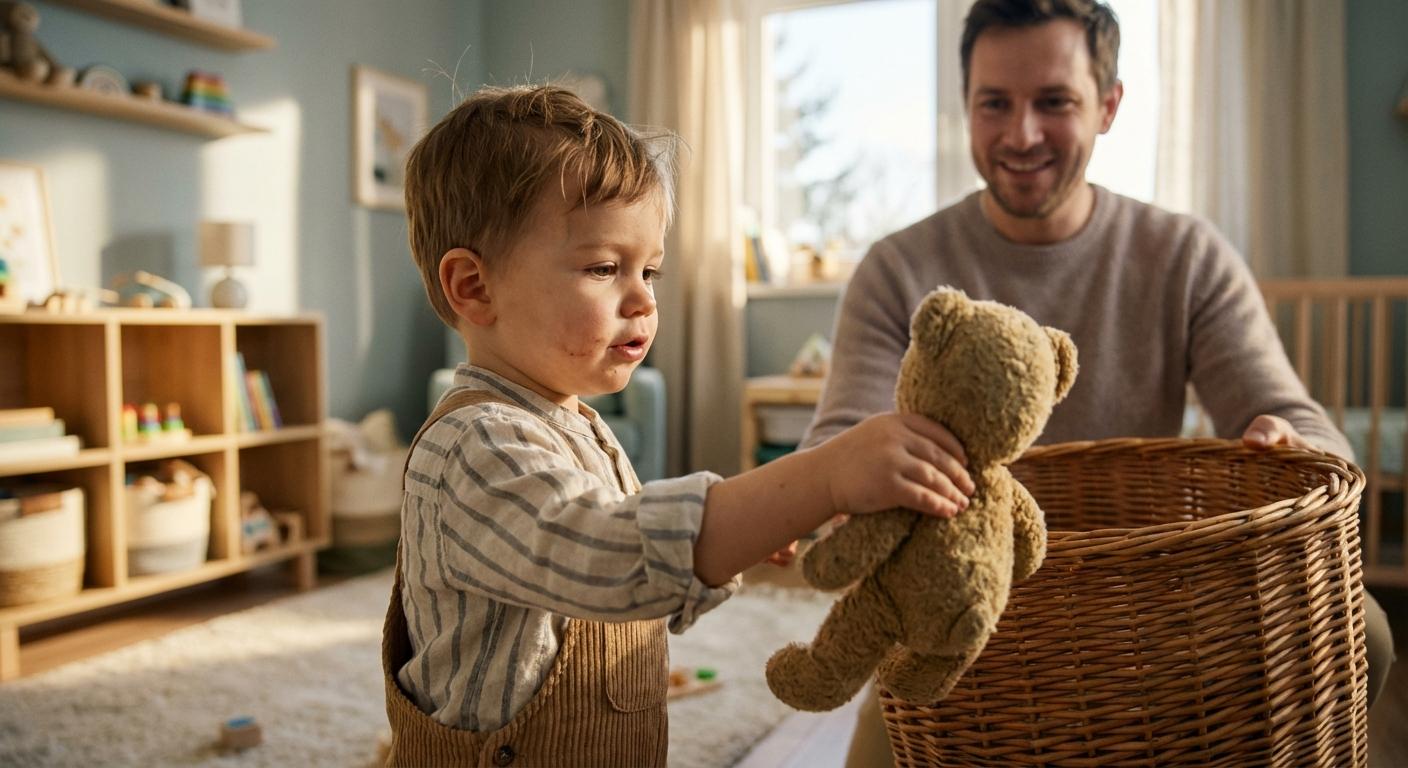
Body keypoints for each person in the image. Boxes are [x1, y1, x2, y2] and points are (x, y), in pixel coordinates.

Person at [796, 1, 1396, 765]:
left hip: (1146, 608)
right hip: (959, 624)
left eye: (1054, 102)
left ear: (1109, 106)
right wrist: (853, 480)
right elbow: (830, 456)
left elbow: (1301, 425)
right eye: (995, 104)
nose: (1021, 135)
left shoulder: (1183, 255)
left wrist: (1284, 444)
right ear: (965, 108)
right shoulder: (897, 269)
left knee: (1362, 629)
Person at [381, 84, 978, 766]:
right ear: (474, 288)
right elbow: (614, 553)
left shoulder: (579, 429)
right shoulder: (473, 446)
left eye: (651, 270)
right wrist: (827, 476)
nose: (642, 299)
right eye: (606, 268)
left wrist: (744, 532)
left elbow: (640, 560)